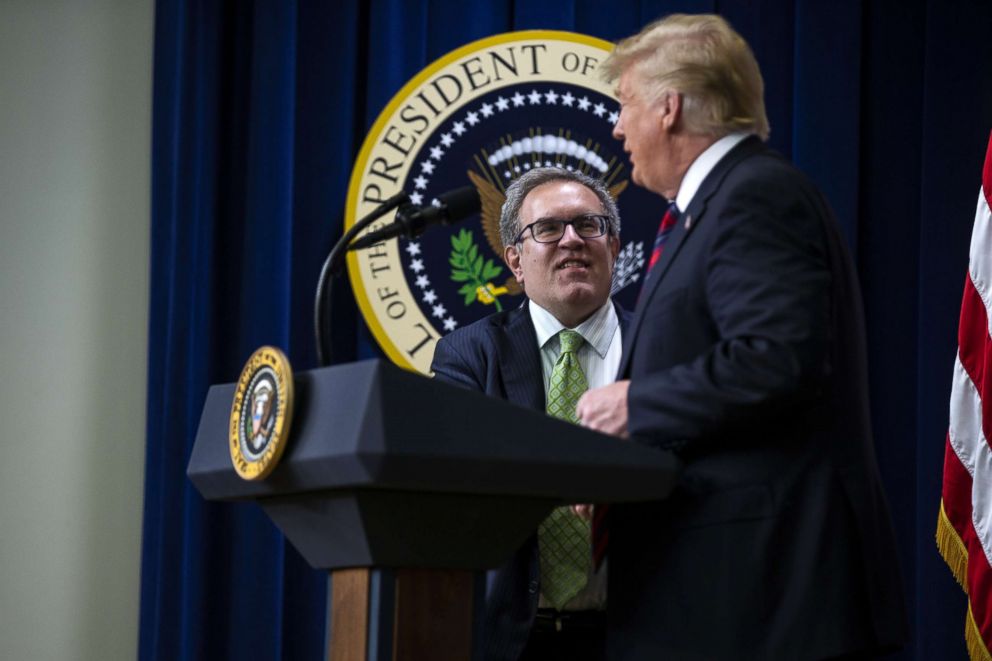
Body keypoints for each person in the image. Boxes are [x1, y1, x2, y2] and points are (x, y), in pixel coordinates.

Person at [574, 14, 909, 660]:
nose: (616, 127)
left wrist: (631, 405)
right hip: (722, 593)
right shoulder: (712, 209)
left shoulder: (755, 196)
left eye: (625, 104)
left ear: (669, 108)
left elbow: (776, 358)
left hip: (766, 596)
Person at [431, 167, 624, 661]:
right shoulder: (469, 353)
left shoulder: (665, 348)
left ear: (615, 247)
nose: (572, 240)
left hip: (639, 630)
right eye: (548, 229)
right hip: (507, 638)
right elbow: (456, 482)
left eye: (589, 225)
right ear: (515, 260)